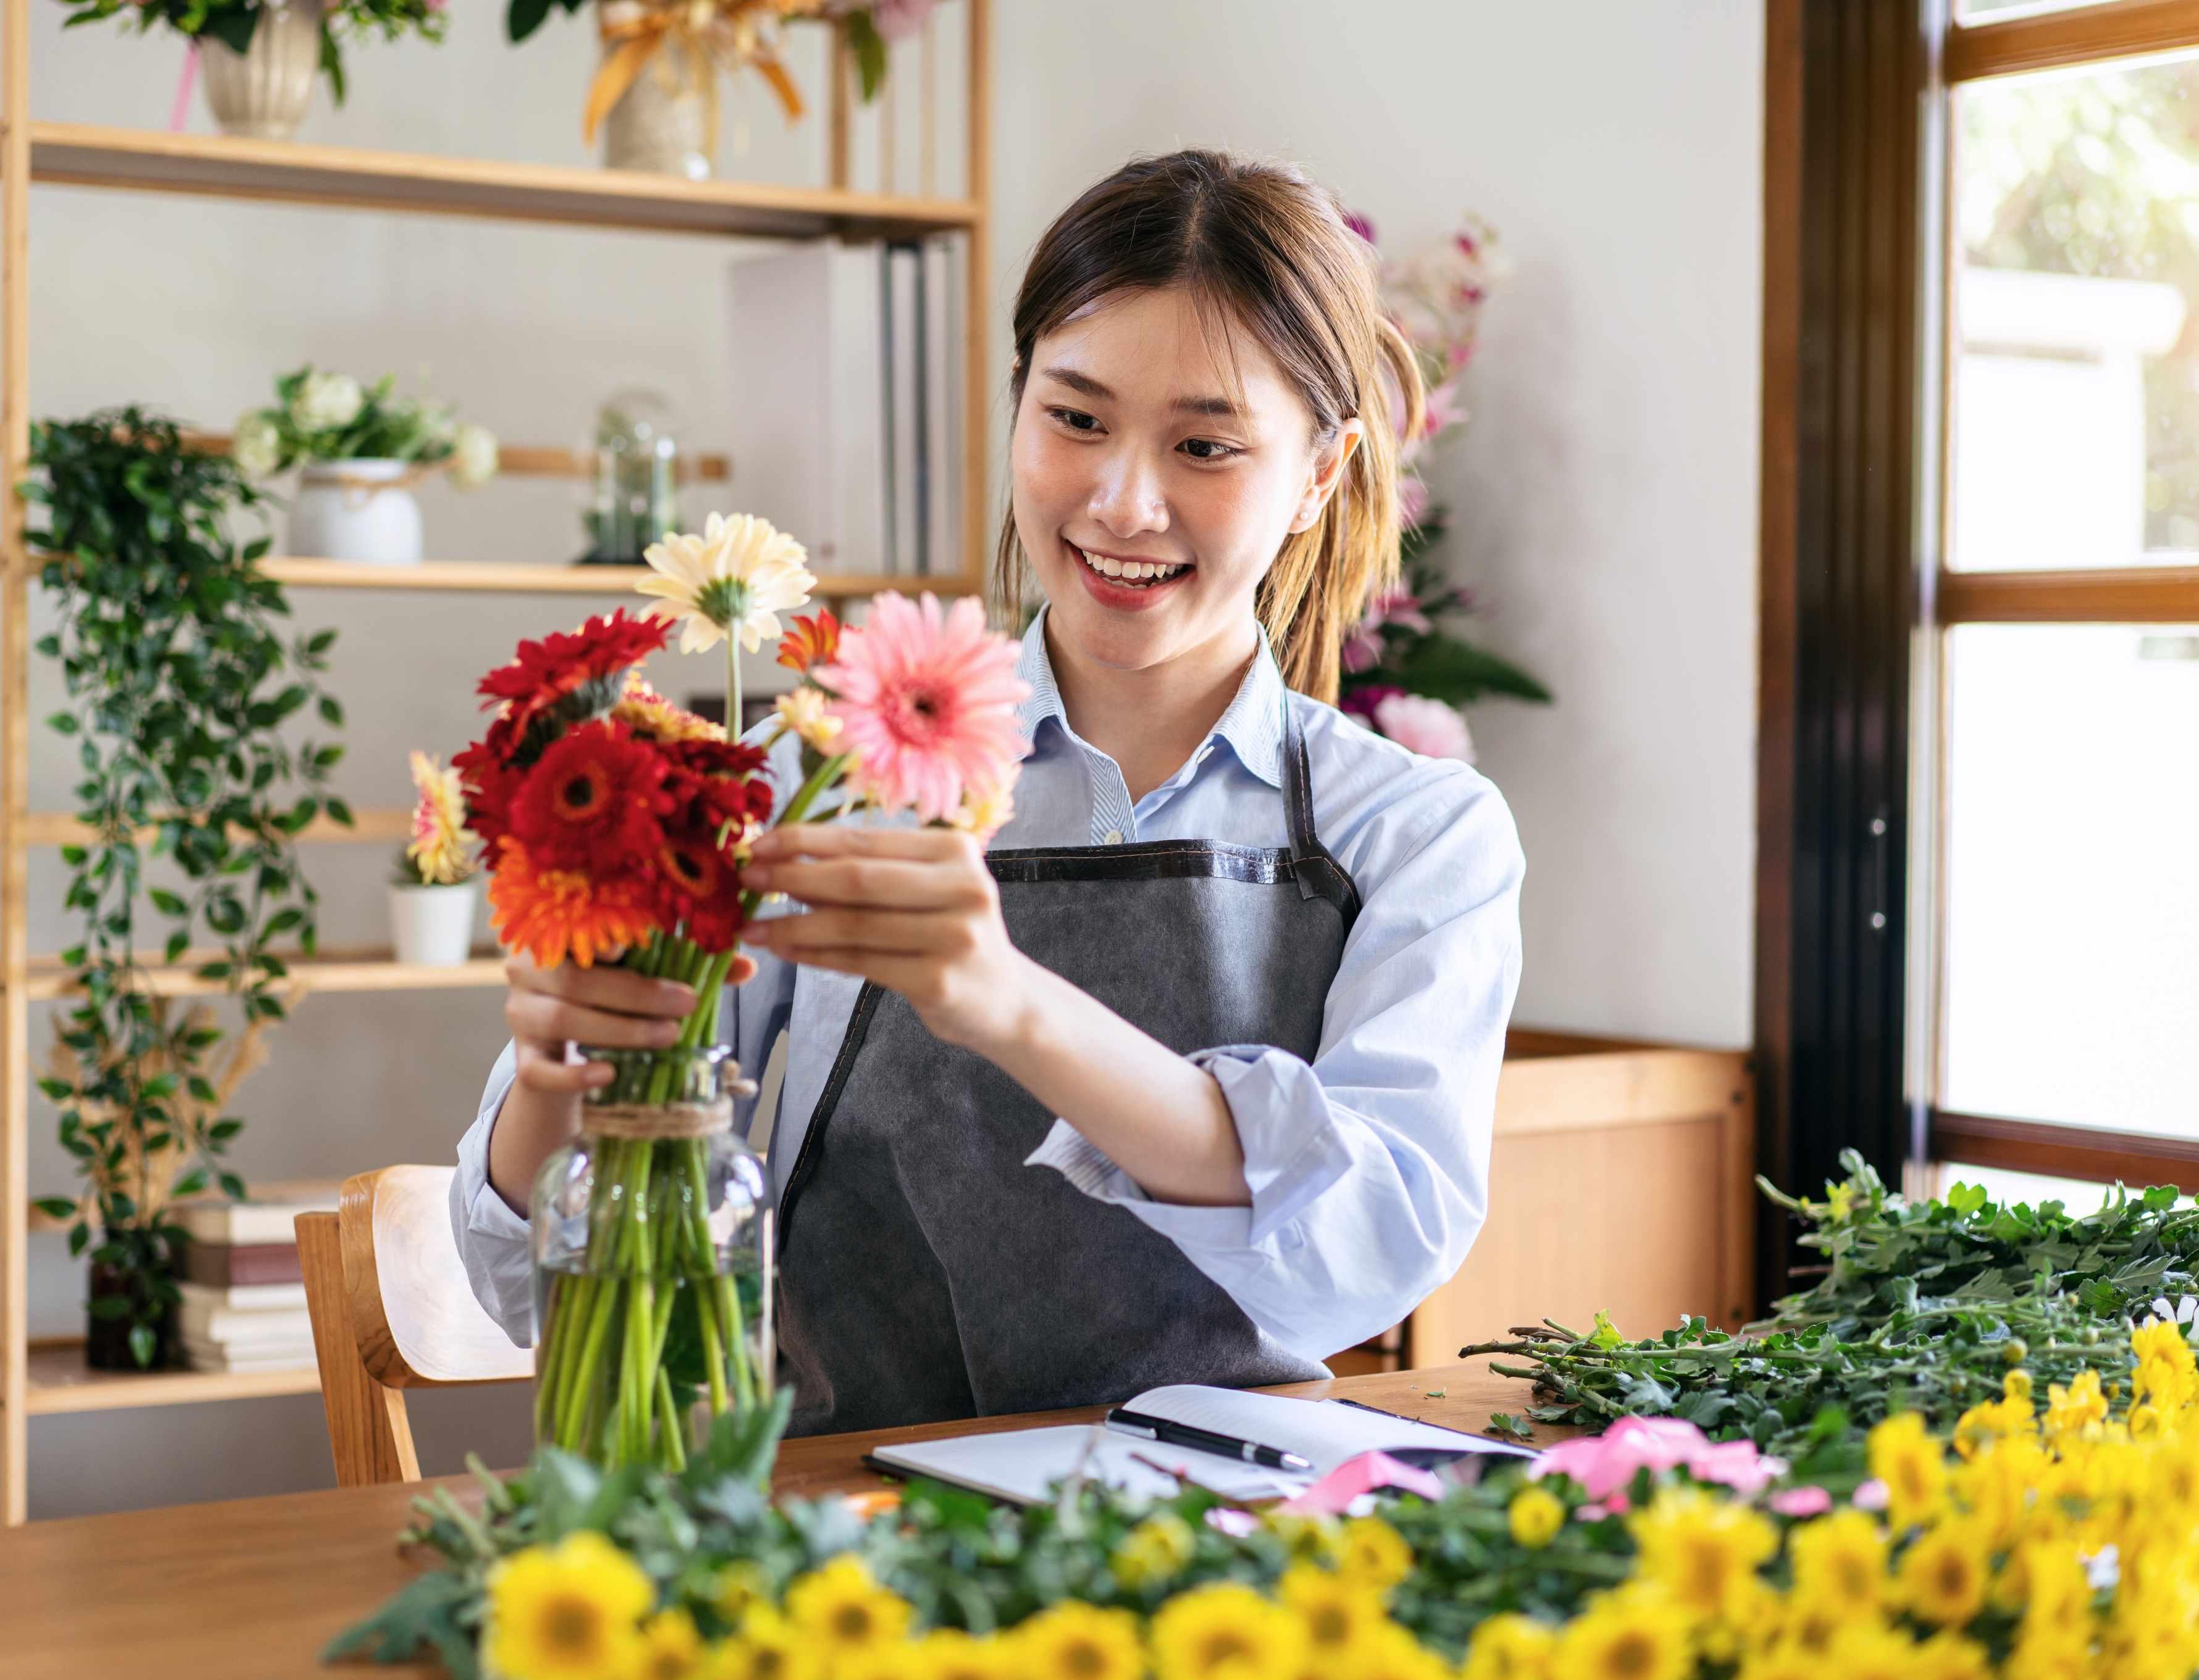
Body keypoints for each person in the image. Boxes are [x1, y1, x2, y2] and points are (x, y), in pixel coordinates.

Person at [451, 148, 1524, 1438]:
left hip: (1228, 1523)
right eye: (1075, 418)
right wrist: (562, 1071)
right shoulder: (816, 775)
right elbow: (522, 1277)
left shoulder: (1412, 833)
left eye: (1203, 444)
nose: (1123, 500)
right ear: (1017, 409)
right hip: (842, 1510)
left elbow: (1378, 1242)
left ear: (1317, 474)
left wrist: (1005, 1002)